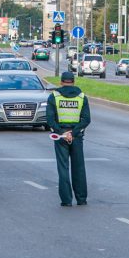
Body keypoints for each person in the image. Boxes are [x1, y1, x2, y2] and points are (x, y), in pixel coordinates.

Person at [47, 71, 91, 206]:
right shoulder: (82, 97)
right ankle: (81, 199)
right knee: (79, 168)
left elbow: (50, 119)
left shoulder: (54, 96)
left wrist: (63, 133)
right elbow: (86, 119)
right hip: (76, 137)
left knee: (63, 168)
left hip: (61, 137)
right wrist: (74, 132)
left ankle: (66, 200)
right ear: (73, 81)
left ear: (61, 82)